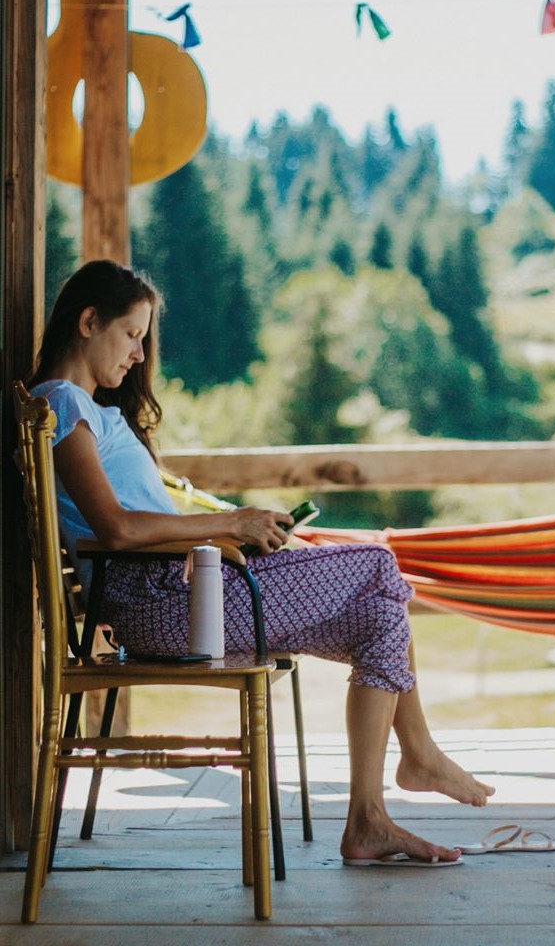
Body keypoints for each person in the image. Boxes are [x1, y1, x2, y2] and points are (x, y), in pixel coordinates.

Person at [29, 259, 494, 868]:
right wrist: (231, 522)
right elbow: (115, 530)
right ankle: (416, 756)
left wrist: (233, 538)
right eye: (132, 334)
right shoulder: (62, 402)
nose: (140, 355)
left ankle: (369, 818)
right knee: (379, 568)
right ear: (89, 322)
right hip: (162, 608)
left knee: (379, 617)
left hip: (181, 594)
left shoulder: (87, 409)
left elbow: (132, 525)